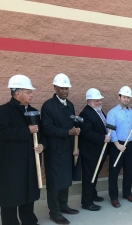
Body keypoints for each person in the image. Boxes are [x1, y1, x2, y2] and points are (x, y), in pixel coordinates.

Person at [0, 74, 44, 225]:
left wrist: (41, 145)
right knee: (10, 196)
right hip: (11, 163)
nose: (31, 94)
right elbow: (3, 132)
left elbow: (41, 133)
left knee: (29, 193)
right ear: (17, 93)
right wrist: (26, 130)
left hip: (31, 161)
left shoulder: (34, 111)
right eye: (28, 92)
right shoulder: (4, 111)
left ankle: (29, 220)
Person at [41, 73, 80, 225]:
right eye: (62, 88)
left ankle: (63, 206)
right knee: (55, 182)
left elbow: (73, 123)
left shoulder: (69, 105)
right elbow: (47, 129)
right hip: (54, 150)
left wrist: (75, 132)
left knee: (65, 179)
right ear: (55, 88)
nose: (65, 90)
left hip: (68, 148)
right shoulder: (48, 106)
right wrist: (67, 132)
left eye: (67, 88)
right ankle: (54, 212)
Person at [106, 86, 132, 208]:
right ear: (119, 97)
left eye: (128, 97)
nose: (126, 99)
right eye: (124, 97)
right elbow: (110, 130)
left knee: (129, 171)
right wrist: (117, 145)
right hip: (117, 145)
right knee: (114, 172)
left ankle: (127, 193)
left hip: (130, 145)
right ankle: (114, 197)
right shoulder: (112, 112)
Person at [78, 88, 110, 211]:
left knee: (95, 175)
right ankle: (87, 202)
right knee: (89, 176)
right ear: (88, 101)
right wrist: (103, 138)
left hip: (99, 151)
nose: (99, 102)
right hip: (90, 152)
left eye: (100, 100)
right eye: (96, 100)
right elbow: (86, 133)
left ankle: (92, 194)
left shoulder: (99, 112)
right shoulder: (86, 114)